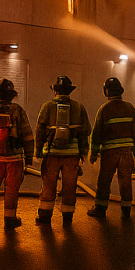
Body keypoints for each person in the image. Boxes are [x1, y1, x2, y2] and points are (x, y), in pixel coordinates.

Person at [0, 78, 35, 229]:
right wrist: (28, 158)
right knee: (11, 191)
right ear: (11, 95)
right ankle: (10, 220)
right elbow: (27, 135)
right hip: (14, 160)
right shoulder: (18, 110)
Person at [34, 75, 90, 226]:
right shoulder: (79, 107)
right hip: (72, 156)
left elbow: (39, 130)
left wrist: (38, 150)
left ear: (55, 91)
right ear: (69, 91)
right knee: (70, 187)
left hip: (52, 154)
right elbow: (85, 131)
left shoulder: (47, 106)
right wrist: (83, 153)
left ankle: (45, 217)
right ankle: (67, 218)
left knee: (48, 185)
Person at [87, 77, 135, 219]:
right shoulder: (130, 108)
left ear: (106, 92)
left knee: (104, 181)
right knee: (126, 181)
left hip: (110, 153)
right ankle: (126, 210)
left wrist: (94, 152)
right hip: (126, 153)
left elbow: (96, 133)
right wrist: (134, 150)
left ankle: (100, 209)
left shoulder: (104, 109)